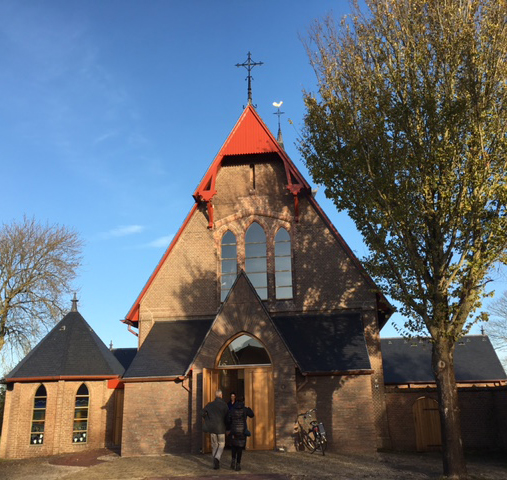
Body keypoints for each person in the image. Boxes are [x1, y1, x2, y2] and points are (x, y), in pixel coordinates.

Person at [202, 389, 229, 470]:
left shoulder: (210, 405)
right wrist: (227, 427)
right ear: (221, 395)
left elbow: (202, 412)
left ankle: (215, 464)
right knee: (221, 444)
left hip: (212, 428)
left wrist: (207, 419)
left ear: (215, 395)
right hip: (221, 428)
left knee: (214, 446)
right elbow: (227, 417)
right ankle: (217, 457)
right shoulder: (224, 405)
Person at [226, 395, 254, 471]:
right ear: (243, 401)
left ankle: (233, 460)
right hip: (242, 431)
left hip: (234, 430)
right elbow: (252, 415)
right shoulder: (245, 409)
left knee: (234, 446)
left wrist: (229, 428)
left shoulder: (232, 409)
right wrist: (249, 408)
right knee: (240, 448)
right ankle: (238, 464)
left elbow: (228, 419)